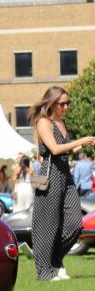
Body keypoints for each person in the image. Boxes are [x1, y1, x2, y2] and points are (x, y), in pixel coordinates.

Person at [28, 86, 95, 280]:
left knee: (75, 223)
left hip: (65, 175)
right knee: (47, 225)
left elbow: (65, 151)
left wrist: (82, 145)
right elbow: (55, 149)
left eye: (68, 103)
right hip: (50, 175)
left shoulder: (62, 122)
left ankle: (55, 261)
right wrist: (78, 140)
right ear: (51, 103)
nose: (66, 106)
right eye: (62, 103)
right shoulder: (43, 121)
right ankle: (45, 271)